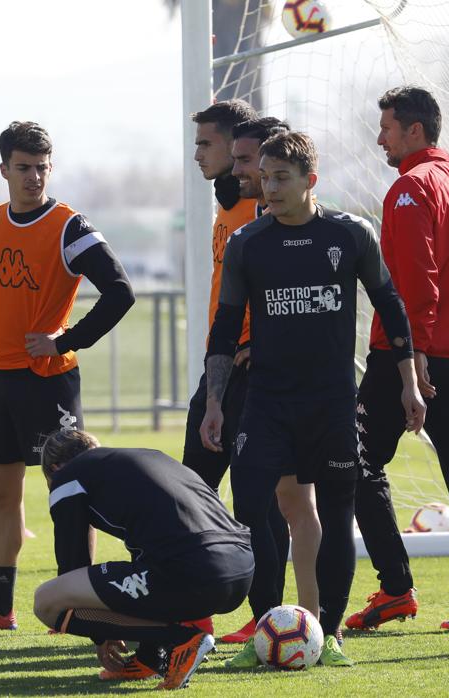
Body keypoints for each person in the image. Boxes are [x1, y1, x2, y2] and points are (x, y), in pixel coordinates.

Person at [201, 131, 425, 668]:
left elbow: (390, 304)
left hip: (331, 405)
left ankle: (329, 633)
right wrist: (214, 401)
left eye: (282, 178)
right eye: (265, 177)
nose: (269, 188)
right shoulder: (248, 242)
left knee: (338, 512)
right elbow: (225, 328)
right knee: (252, 510)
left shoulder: (350, 234)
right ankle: (266, 628)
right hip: (267, 403)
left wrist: (409, 381)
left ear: (310, 181)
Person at [0, 121, 134, 632]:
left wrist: (65, 340)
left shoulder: (70, 226)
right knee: (2, 497)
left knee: (71, 494)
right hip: (0, 382)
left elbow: (120, 291)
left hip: (50, 382)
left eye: (42, 168)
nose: (34, 177)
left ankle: (77, 606)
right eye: (24, 168)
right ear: (3, 169)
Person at [348, 86, 449, 632]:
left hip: (411, 354)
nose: (380, 139)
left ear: (413, 131)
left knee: (353, 462)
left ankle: (396, 589)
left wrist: (410, 362)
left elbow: (417, 284)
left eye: (386, 128)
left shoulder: (411, 187)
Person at [180, 100, 289, 643]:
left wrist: (259, 344)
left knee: (262, 502)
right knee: (191, 488)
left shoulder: (269, 209)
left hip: (258, 372)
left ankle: (270, 615)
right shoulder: (227, 207)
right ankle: (192, 610)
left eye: (207, 144)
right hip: (219, 366)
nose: (198, 154)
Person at [33, 430, 253, 689]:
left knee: (47, 601)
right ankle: (151, 659)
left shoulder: (66, 477)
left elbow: (71, 568)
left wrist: (102, 632)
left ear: (55, 468)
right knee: (145, 572)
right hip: (241, 568)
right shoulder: (146, 457)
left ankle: (181, 639)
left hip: (195, 570)